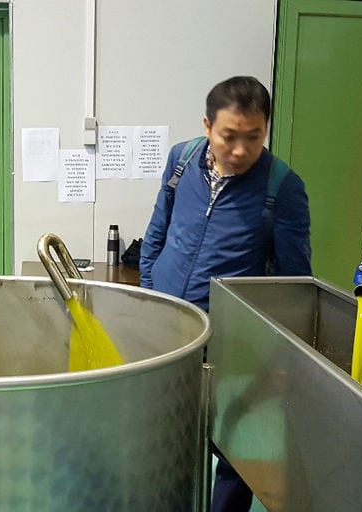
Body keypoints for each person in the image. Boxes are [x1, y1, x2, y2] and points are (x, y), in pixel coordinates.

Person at [139, 76, 311, 511]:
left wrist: (283, 356)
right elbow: (157, 232)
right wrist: (148, 297)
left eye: (254, 137)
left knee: (237, 447)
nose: (240, 150)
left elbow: (295, 282)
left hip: (233, 340)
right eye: (228, 136)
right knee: (163, 435)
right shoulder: (181, 159)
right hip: (168, 330)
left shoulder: (282, 187)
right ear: (207, 126)